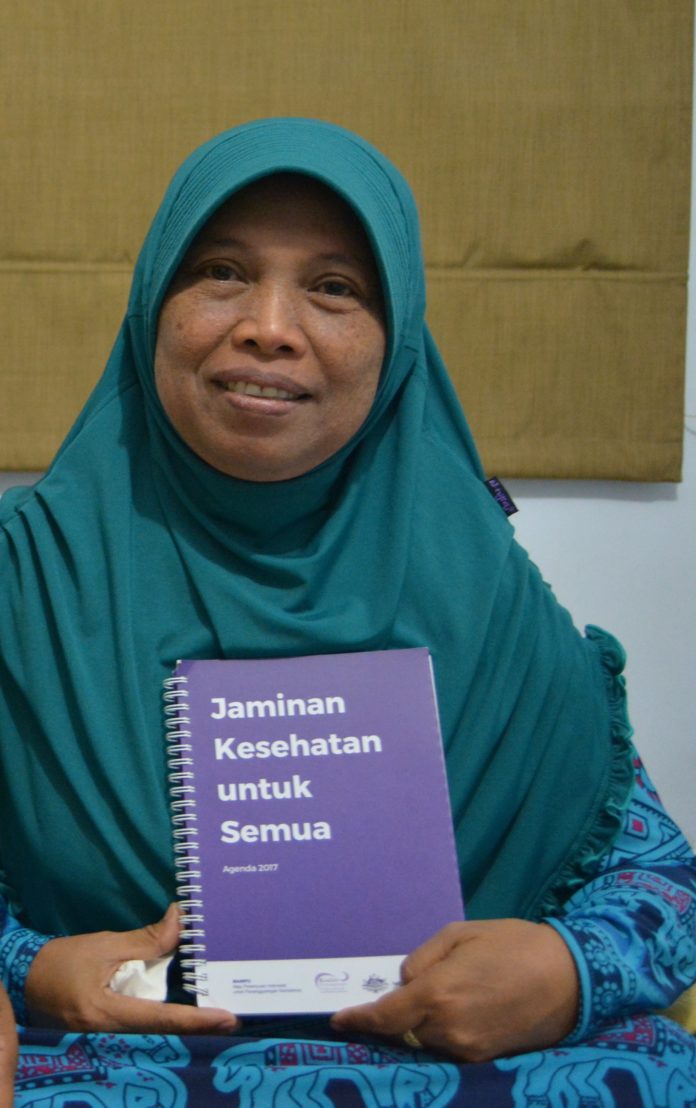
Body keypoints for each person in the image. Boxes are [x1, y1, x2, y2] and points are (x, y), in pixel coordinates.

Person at [0, 118, 694, 1105]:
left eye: (334, 288)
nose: (269, 325)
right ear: (153, 303)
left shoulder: (482, 587)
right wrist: (29, 968)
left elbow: (660, 884)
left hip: (453, 1067)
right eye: (221, 272)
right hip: (107, 1062)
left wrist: (566, 972)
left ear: (397, 338)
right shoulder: (25, 573)